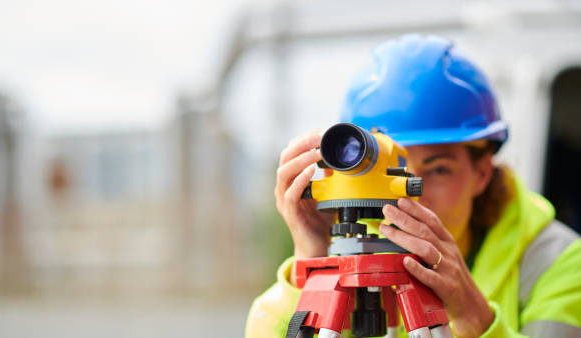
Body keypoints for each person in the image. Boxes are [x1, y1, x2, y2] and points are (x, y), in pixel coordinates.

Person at [245, 34, 581, 337]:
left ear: (482, 172)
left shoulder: (560, 264)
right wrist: (312, 263)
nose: (409, 193)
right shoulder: (356, 259)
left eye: (437, 170)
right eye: (391, 170)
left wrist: (474, 318)